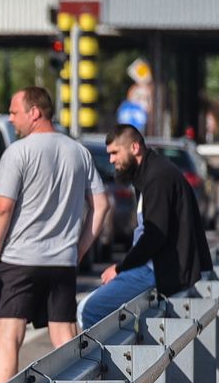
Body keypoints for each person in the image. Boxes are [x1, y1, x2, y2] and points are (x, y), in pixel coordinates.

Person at [0, 87, 110, 383]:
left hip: (18, 260)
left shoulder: (18, 152)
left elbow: (3, 207)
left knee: (10, 336)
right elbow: (102, 204)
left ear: (35, 112)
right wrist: (78, 250)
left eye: (15, 112)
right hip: (62, 261)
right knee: (64, 335)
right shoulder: (78, 151)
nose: (11, 119)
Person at [79, 125, 212, 328]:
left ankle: (114, 360)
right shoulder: (149, 173)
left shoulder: (158, 178)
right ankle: (124, 356)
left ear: (134, 148)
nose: (112, 160)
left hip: (157, 270)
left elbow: (154, 235)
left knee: (89, 309)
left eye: (115, 153)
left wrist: (121, 268)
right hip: (156, 268)